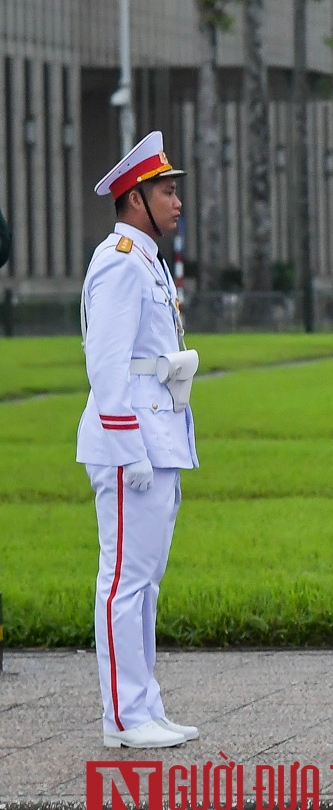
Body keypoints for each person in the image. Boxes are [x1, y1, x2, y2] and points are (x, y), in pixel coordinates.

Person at [79, 131, 200, 750]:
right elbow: (105, 364)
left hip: (158, 433)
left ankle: (144, 704)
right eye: (166, 191)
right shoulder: (122, 260)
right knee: (124, 579)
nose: (177, 201)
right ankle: (122, 716)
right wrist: (129, 450)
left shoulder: (146, 258)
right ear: (135, 199)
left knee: (144, 580)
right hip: (131, 442)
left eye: (175, 190)